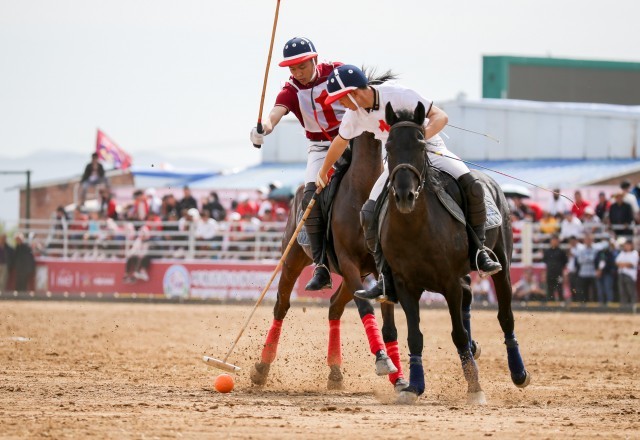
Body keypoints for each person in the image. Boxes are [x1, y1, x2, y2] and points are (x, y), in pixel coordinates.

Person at [313, 65, 501, 302]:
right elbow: (340, 142)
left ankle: (480, 251)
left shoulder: (400, 94)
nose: (341, 106)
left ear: (353, 93)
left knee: (472, 185)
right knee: (368, 212)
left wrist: (419, 138)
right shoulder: (354, 115)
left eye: (341, 100)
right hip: (397, 162)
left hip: (431, 149)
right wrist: (323, 170)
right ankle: (385, 280)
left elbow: (440, 116)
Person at [250, 37, 347, 290]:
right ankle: (322, 266)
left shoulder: (337, 71)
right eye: (292, 68)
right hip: (319, 148)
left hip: (352, 139)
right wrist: (262, 129)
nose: (297, 73)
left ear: (315, 59)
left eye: (301, 66)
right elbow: (275, 115)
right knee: (309, 196)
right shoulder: (290, 90)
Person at [542, 234, 568, 301]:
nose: (554, 242)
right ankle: (551, 305)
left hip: (559, 274)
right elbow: (545, 262)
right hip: (550, 273)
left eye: (555, 240)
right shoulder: (547, 252)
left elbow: (565, 262)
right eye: (553, 240)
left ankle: (561, 303)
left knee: (559, 288)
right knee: (550, 290)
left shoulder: (561, 252)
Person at [616, 239, 638, 311]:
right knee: (622, 291)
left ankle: (633, 307)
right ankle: (623, 307)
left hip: (630, 275)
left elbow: (631, 264)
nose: (626, 246)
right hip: (621, 274)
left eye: (628, 245)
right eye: (625, 245)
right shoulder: (622, 253)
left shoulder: (634, 253)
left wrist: (622, 264)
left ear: (631, 246)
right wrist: (625, 264)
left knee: (631, 291)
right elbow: (617, 262)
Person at [574, 234, 598, 303]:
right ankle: (584, 304)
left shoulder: (596, 249)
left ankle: (594, 304)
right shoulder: (581, 249)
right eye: (587, 239)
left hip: (593, 273)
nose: (588, 241)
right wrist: (589, 259)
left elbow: (595, 259)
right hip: (583, 273)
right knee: (583, 290)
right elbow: (580, 260)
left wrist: (586, 259)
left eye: (589, 239)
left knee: (594, 291)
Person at [595, 238, 618, 306]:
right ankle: (601, 302)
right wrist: (597, 270)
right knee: (600, 289)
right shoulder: (599, 253)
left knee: (608, 288)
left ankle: (609, 302)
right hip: (599, 274)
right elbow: (596, 262)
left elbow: (610, 264)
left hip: (607, 274)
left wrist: (602, 270)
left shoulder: (609, 253)